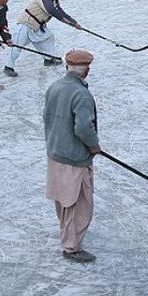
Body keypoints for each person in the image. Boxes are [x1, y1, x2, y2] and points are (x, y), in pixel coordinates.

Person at [44, 49, 100, 263]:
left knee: (64, 200)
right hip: (75, 157)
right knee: (79, 203)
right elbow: (84, 127)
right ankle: (71, 247)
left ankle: (69, 234)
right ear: (86, 70)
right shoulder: (81, 94)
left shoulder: (55, 87)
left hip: (56, 152)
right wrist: (93, 145)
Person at [4, 0, 80, 77]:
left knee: (48, 37)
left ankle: (48, 59)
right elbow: (51, 11)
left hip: (37, 26)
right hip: (26, 24)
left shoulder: (54, 0)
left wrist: (74, 23)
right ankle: (8, 67)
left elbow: (61, 12)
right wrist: (70, 23)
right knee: (17, 45)